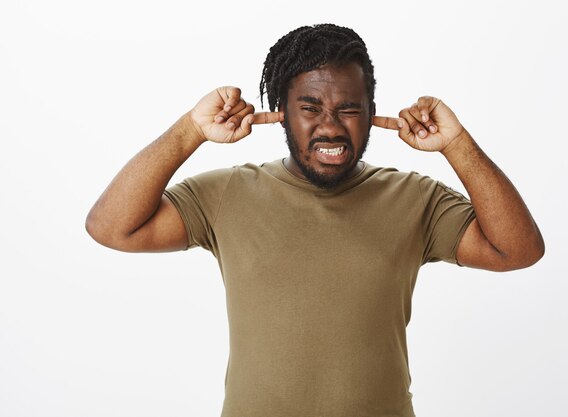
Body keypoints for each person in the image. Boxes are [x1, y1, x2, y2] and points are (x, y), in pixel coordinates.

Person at [86, 23, 544, 417]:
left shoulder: (414, 198)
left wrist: (456, 144)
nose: (331, 127)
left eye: (349, 109)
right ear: (281, 113)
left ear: (370, 114)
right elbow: (112, 227)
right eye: (310, 108)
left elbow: (517, 250)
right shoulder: (226, 194)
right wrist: (190, 130)